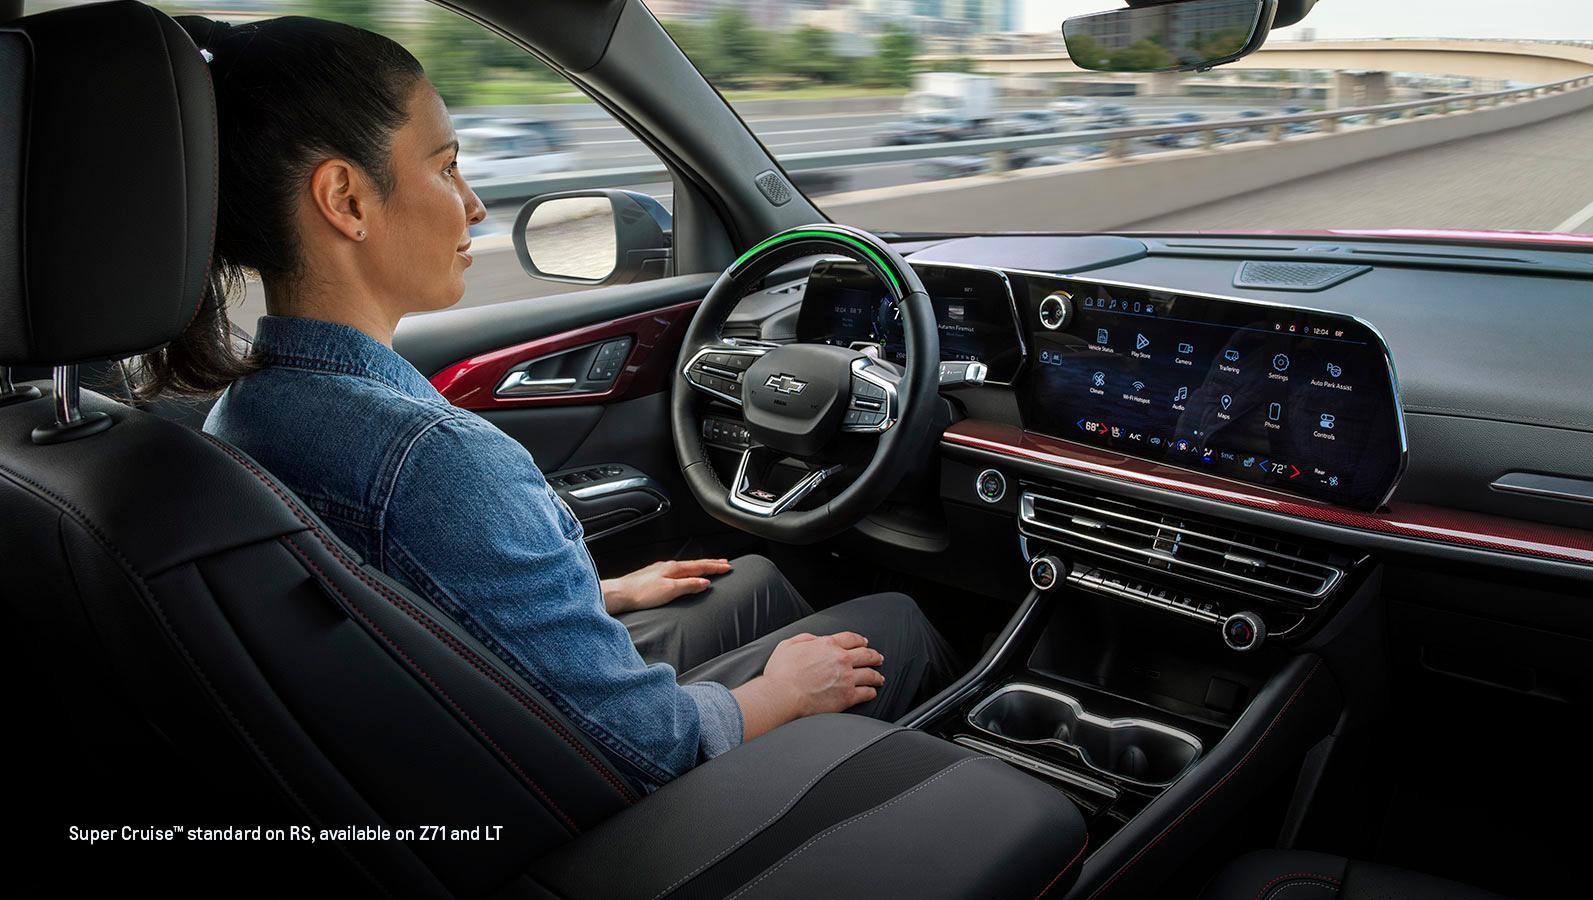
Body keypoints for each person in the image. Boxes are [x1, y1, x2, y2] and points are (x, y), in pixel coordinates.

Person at [133, 15, 959, 793]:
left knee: (749, 581)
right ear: (346, 200)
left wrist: (597, 597)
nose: (475, 205)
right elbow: (648, 744)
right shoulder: (433, 458)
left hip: (432, 751)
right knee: (894, 621)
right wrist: (783, 695)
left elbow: (391, 618)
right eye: (447, 166)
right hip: (588, 805)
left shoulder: (241, 414)